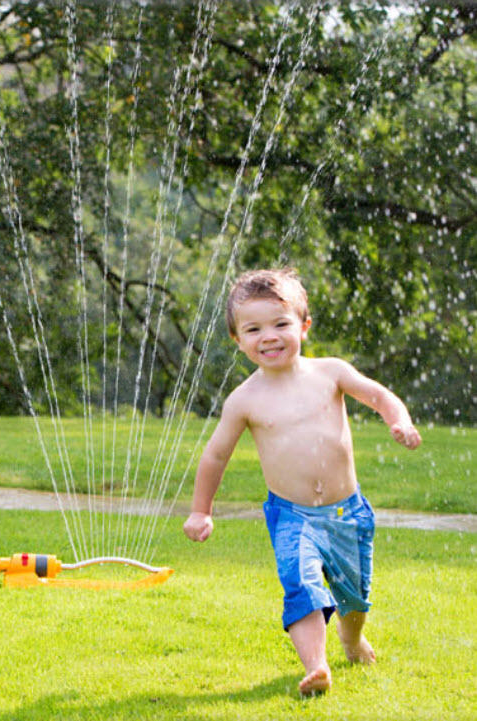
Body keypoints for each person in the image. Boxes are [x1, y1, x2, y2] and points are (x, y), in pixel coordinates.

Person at [183, 268, 421, 696]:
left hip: (348, 511)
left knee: (354, 596)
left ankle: (351, 639)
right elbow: (216, 455)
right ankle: (316, 665)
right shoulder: (244, 400)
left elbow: (379, 396)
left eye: (281, 324)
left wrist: (398, 421)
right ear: (238, 341)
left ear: (304, 326)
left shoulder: (330, 373)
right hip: (292, 514)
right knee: (301, 584)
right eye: (253, 329)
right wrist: (202, 509)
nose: (268, 336)